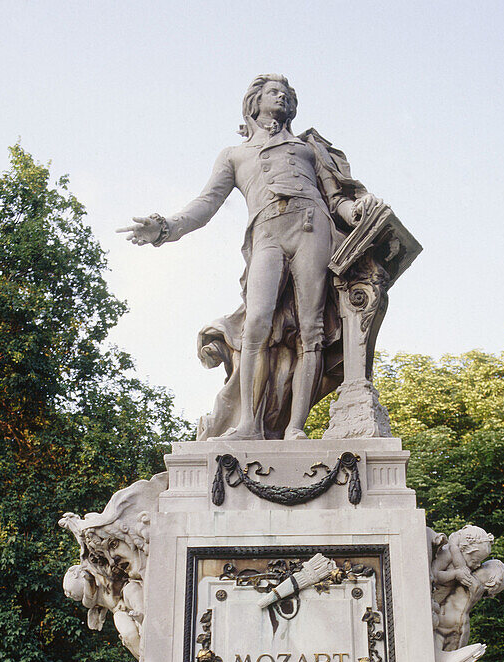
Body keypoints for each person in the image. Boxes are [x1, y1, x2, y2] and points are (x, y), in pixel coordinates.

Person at [120, 74, 378, 440]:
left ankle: (295, 429)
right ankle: (248, 425)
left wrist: (355, 212)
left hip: (312, 226)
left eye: (288, 95)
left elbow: (336, 199)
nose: (283, 98)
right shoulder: (234, 155)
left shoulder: (308, 148)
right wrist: (165, 228)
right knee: (256, 323)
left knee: (311, 329)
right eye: (275, 92)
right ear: (254, 103)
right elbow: (206, 204)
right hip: (266, 233)